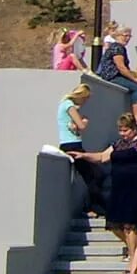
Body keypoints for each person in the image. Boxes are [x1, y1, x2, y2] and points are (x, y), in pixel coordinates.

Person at [72, 114, 137, 270]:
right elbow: (101, 157)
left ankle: (133, 262)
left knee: (129, 225)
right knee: (113, 224)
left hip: (135, 188)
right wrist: (84, 155)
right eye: (120, 130)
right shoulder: (118, 144)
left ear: (133, 129)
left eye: (125, 130)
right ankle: (135, 248)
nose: (123, 133)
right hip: (118, 188)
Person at [56, 85, 103, 216]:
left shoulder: (64, 104)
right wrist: (85, 121)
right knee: (94, 175)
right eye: (86, 99)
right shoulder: (69, 105)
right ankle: (93, 207)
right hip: (72, 145)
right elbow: (81, 126)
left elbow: (74, 126)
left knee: (92, 174)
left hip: (69, 144)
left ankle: (92, 206)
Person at [98, 25, 137, 129]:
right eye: (125, 35)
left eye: (129, 36)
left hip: (116, 75)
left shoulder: (119, 48)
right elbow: (121, 67)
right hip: (112, 76)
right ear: (118, 35)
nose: (128, 38)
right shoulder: (117, 48)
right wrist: (135, 79)